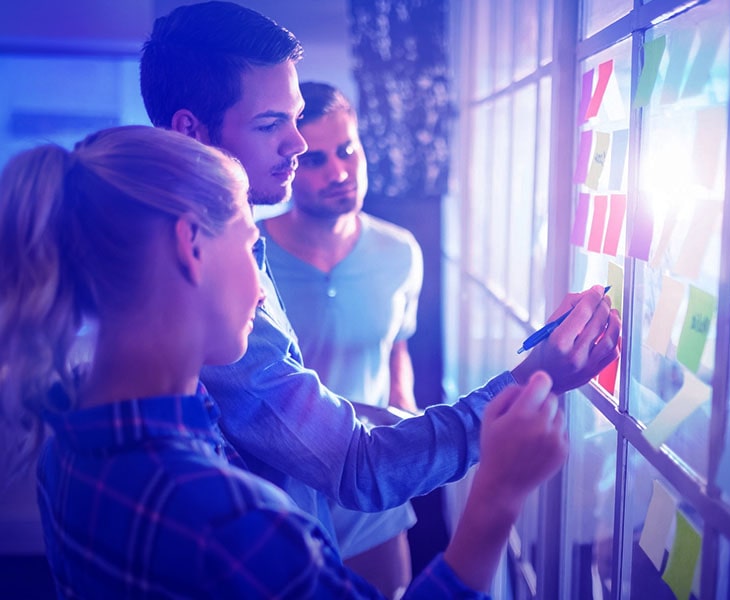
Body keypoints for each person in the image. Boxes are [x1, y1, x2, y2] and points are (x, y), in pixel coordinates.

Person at [139, 0, 620, 572]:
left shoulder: (357, 249)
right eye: (271, 125)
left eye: (297, 119)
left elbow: (310, 400)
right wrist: (534, 380)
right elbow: (356, 465)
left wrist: (399, 415)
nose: (298, 145)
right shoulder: (198, 276)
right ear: (190, 131)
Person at [0, 124, 573, 596]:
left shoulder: (65, 436)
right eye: (252, 247)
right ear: (190, 246)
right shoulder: (234, 525)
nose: (260, 289)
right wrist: (496, 498)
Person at [260, 81, 420, 596]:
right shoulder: (249, 255)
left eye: (348, 150)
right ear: (289, 165)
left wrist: (405, 410)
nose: (339, 172)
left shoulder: (401, 252)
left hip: (373, 485)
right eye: (316, 160)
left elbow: (396, 346)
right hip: (281, 496)